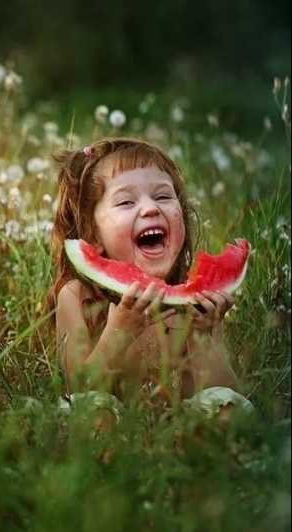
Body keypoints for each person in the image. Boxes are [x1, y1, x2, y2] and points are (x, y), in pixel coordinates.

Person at [46, 137, 253, 429]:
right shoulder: (77, 297)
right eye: (127, 201)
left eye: (163, 197)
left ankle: (203, 464)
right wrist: (118, 331)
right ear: (92, 234)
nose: (150, 208)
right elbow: (78, 387)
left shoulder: (196, 303)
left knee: (228, 413)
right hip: (110, 428)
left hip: (180, 432)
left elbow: (222, 390)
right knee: (91, 416)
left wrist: (204, 337)